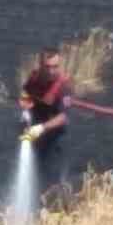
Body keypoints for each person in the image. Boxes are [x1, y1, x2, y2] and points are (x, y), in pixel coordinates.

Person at [20, 46, 73, 201]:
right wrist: (24, 112)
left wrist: (41, 127)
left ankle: (63, 212)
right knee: (36, 179)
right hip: (38, 137)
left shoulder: (63, 86)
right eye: (47, 67)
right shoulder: (34, 79)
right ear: (41, 66)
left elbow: (63, 117)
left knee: (56, 182)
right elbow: (25, 95)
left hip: (57, 138)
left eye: (55, 67)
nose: (51, 71)